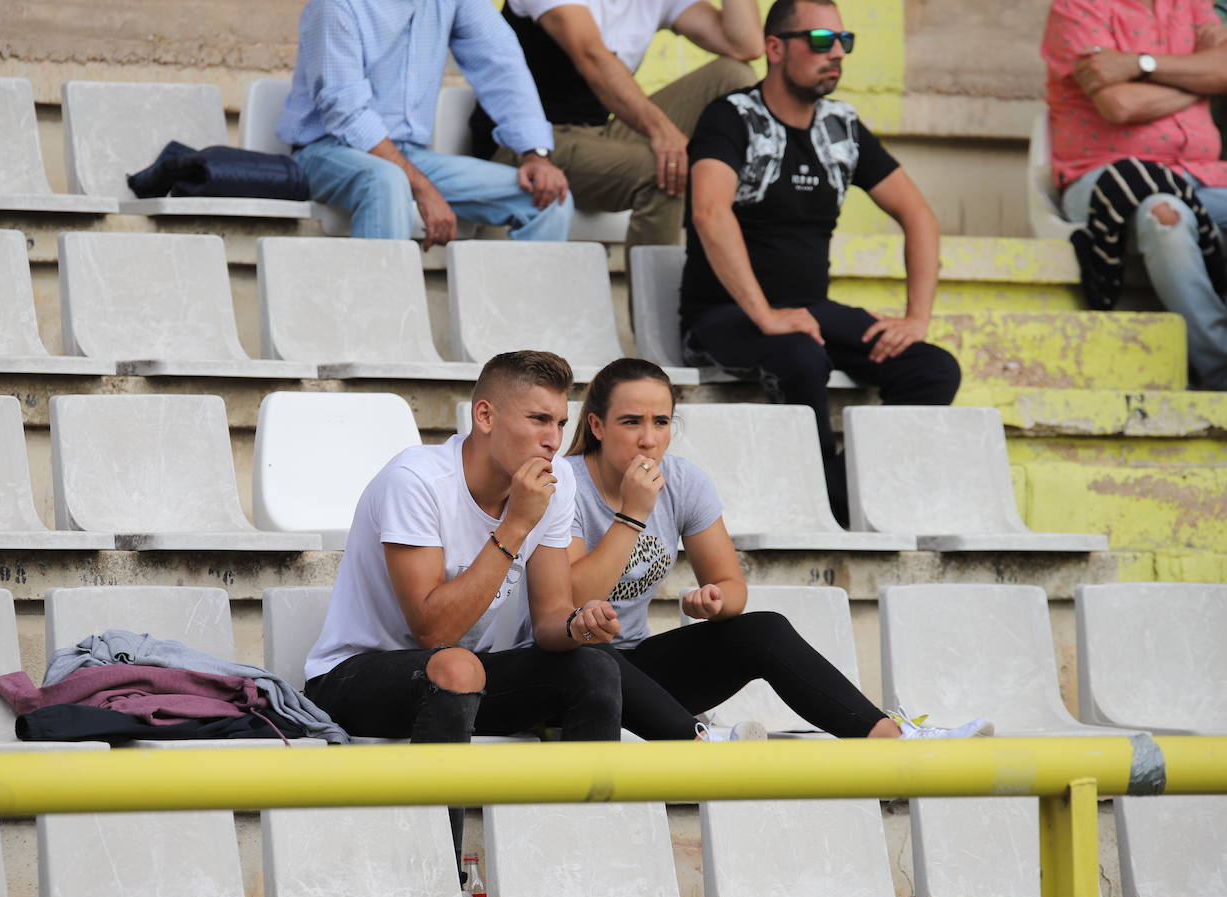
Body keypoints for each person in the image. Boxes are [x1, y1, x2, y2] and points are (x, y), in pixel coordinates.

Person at [549, 357, 994, 742]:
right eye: (632, 422)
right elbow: (568, 600)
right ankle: (699, 739)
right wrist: (632, 515)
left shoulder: (683, 481)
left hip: (639, 670)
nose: (649, 439)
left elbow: (730, 586)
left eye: (661, 422)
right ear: (597, 426)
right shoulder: (565, 483)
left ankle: (886, 735)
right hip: (567, 672)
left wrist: (716, 603)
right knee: (594, 656)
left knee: (763, 629)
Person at [302, 350, 623, 865]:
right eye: (538, 419)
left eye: (560, 422)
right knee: (455, 664)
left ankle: (580, 871)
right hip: (350, 679)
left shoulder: (552, 489)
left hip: (459, 682)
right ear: (485, 416)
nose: (552, 438)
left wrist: (579, 625)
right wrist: (514, 525)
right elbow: (433, 630)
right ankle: (438, 880)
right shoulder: (417, 481)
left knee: (593, 669)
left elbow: (547, 622)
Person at [680, 0, 961, 525]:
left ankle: (837, 486)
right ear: (774, 48)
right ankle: (824, 508)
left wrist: (916, 317)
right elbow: (709, 211)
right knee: (801, 357)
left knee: (932, 369)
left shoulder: (843, 127)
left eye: (843, 42)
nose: (835, 53)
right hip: (724, 316)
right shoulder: (731, 117)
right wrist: (764, 314)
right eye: (819, 40)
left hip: (810, 311)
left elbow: (919, 215)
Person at [277, 0, 573, 248]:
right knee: (386, 179)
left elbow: (500, 62)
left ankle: (523, 319)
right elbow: (345, 114)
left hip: (411, 156)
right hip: (326, 151)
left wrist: (536, 153)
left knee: (549, 200)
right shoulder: (337, 4)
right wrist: (423, 189)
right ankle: (383, 315)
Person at [1043, 0, 1227, 390]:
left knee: (1170, 203)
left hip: (1205, 176)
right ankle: (1220, 370)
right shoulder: (1078, 9)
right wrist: (1199, 79)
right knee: (1165, 214)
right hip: (1106, 178)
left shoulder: (1190, 5)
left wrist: (1141, 65)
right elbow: (1119, 104)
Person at [474, 0, 762, 247]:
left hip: (598, 134)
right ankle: (655, 310)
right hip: (530, 145)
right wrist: (663, 133)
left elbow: (745, 45)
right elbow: (591, 56)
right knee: (664, 170)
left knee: (733, 75)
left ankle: (760, 239)